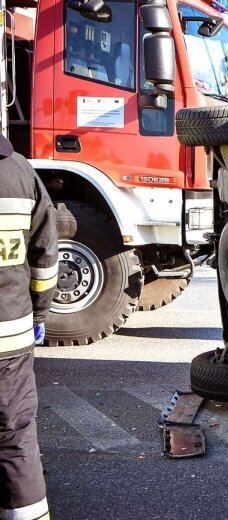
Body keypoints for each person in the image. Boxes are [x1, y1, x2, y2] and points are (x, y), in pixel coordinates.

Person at [0, 135, 58, 520]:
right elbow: (45, 257)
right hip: (9, 337)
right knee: (14, 435)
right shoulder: (20, 173)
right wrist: (38, 314)